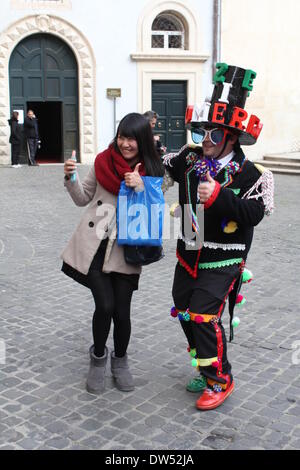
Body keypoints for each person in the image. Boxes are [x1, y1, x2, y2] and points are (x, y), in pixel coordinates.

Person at [163, 63, 274, 410]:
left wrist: (219, 198)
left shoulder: (252, 174)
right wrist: (139, 177)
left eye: (212, 134)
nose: (204, 141)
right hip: (188, 248)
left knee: (203, 315)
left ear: (229, 136)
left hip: (224, 257)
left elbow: (255, 214)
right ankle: (203, 364)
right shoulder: (189, 158)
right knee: (183, 309)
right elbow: (159, 170)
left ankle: (220, 378)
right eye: (201, 133)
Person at [61, 112, 164, 394]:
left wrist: (142, 186)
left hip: (127, 250)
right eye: (121, 136)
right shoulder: (102, 161)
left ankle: (120, 361)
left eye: (131, 138)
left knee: (122, 312)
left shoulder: (153, 168)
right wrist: (71, 177)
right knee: (104, 306)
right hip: (95, 245)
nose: (125, 143)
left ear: (142, 140)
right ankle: (97, 359)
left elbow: (159, 205)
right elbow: (83, 197)